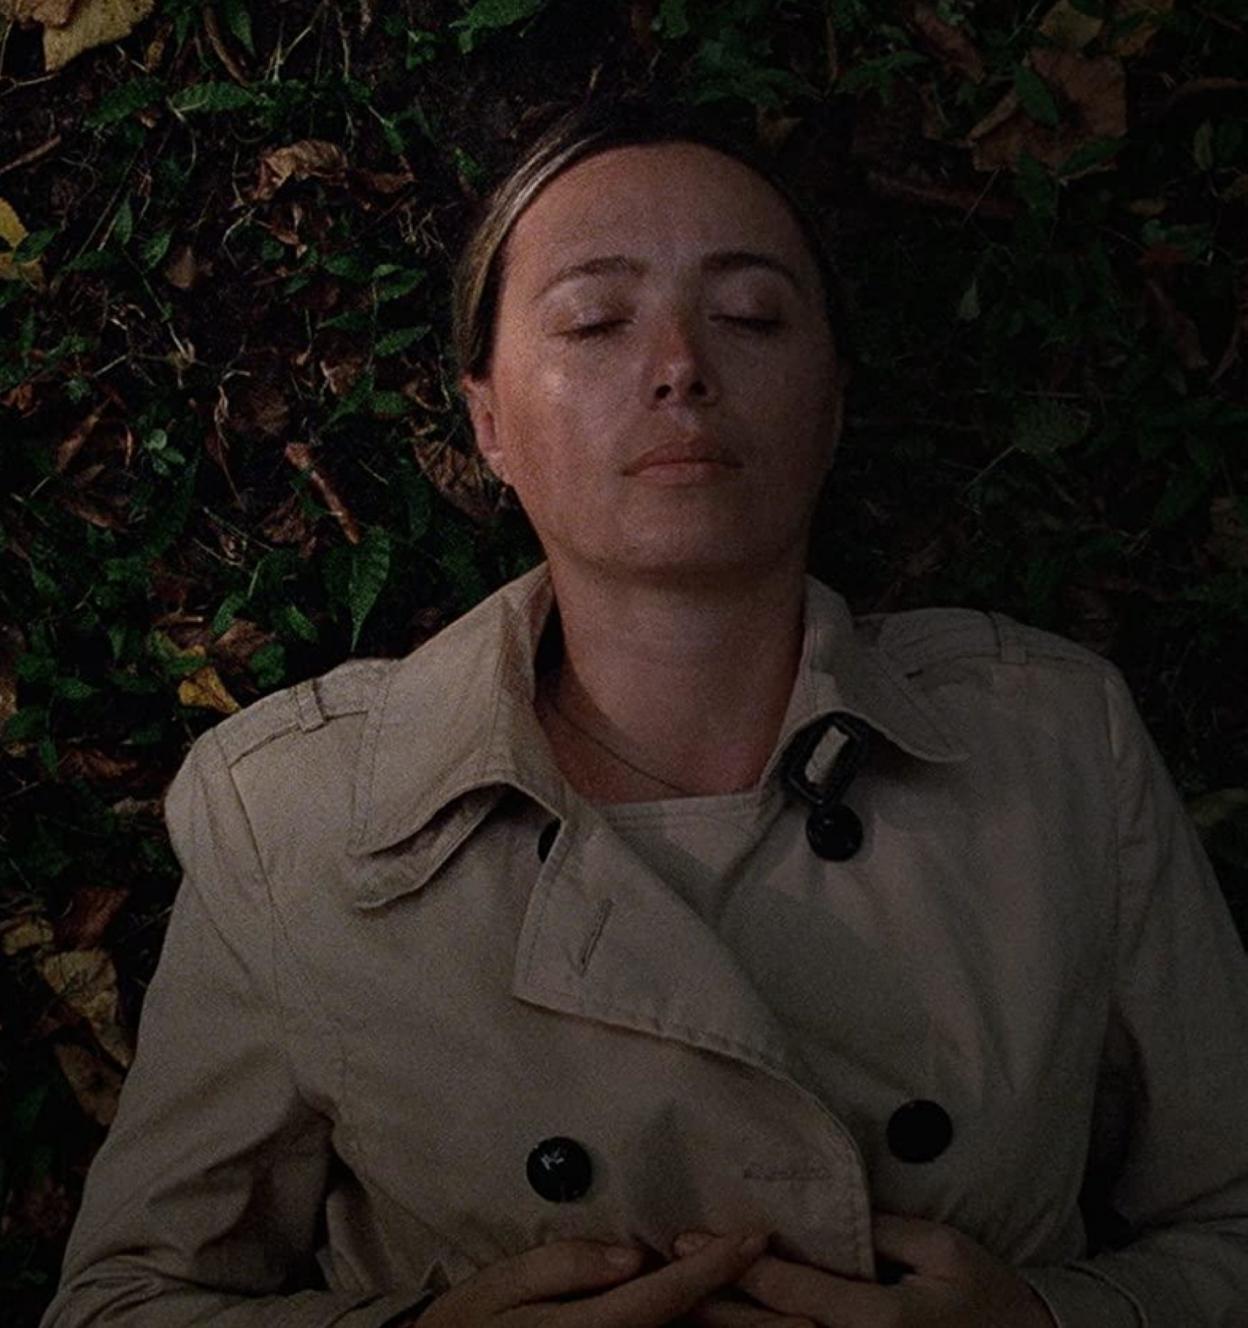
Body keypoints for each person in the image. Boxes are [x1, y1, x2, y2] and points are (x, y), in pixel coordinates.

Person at [39, 91, 1248, 1328]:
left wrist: (1044, 1322)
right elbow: (119, 1303)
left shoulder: (1057, 745)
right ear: (488, 419)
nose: (681, 367)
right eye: (596, 320)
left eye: (751, 315)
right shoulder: (295, 819)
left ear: (832, 402)